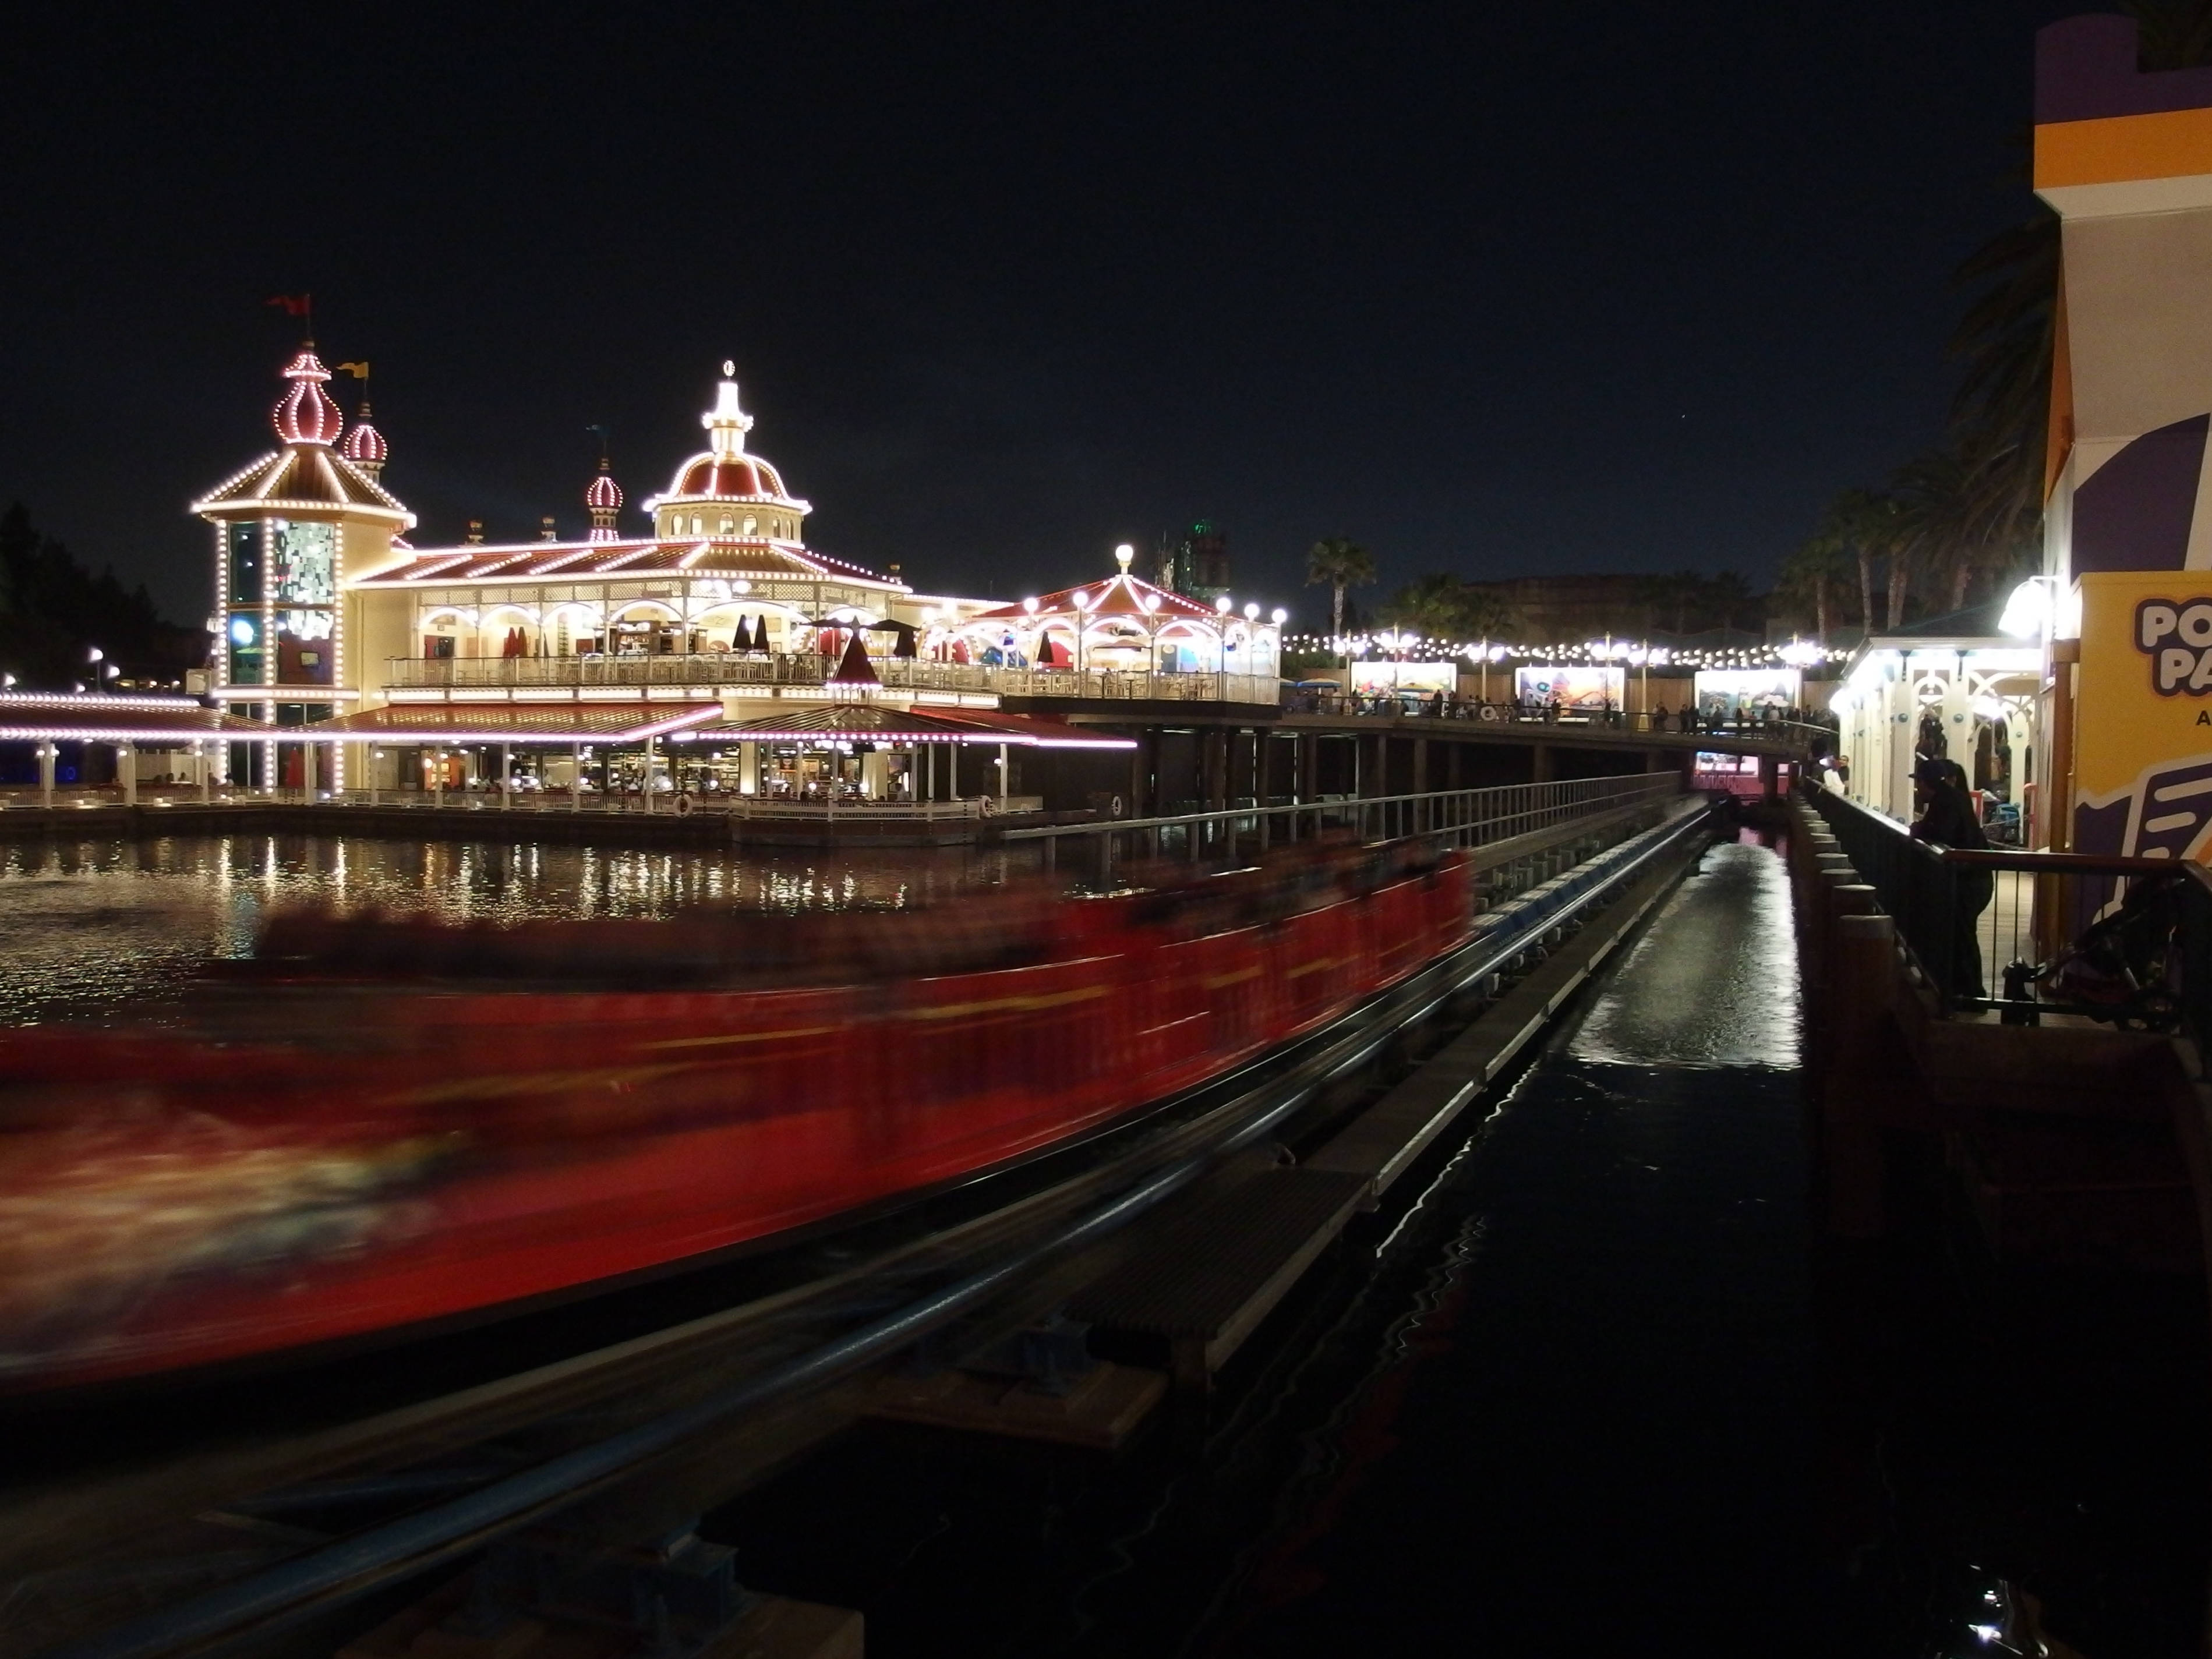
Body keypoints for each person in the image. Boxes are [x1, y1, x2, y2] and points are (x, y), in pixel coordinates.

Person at [1910, 754, 1993, 999]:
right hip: (1974, 877)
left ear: (1925, 782)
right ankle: (1962, 990)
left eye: (1918, 783)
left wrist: (1919, 829)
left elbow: (1940, 832)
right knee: (1961, 936)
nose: (1917, 789)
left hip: (1969, 880)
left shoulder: (1945, 802)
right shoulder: (1953, 798)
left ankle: (1972, 994)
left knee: (1963, 937)